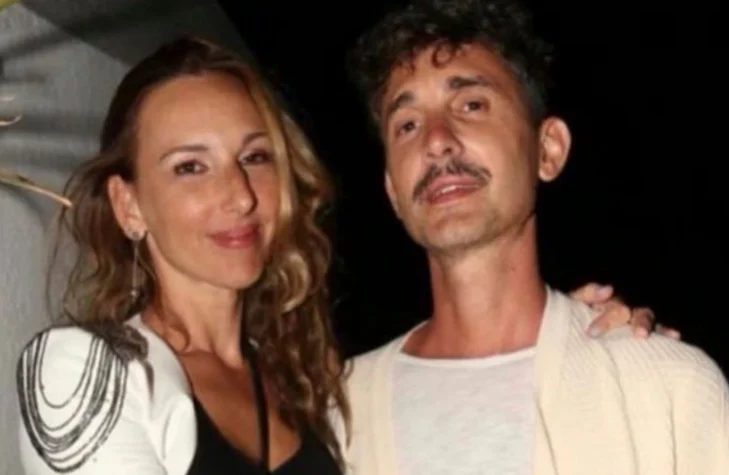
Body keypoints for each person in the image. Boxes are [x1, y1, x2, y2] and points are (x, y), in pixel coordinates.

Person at [15, 36, 668, 475]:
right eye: (190, 166)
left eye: (255, 157)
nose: (238, 195)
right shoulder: (83, 374)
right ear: (129, 204)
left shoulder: (315, 389)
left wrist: (568, 338)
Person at [341, 0, 729, 474]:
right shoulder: (339, 415)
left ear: (547, 150)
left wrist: (629, 363)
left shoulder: (667, 391)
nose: (436, 140)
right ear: (392, 189)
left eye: (471, 105)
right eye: (407, 124)